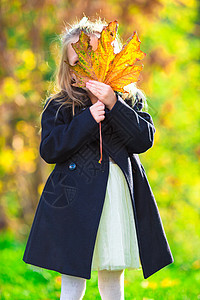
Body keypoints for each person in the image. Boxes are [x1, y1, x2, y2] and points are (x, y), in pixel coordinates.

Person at [22, 16, 174, 300]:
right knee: (72, 270)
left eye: (95, 60)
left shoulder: (129, 99)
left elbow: (143, 139)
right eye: (78, 62)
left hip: (116, 194)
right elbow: (50, 149)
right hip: (75, 198)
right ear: (68, 69)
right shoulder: (61, 104)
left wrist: (114, 105)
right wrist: (87, 120)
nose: (88, 69)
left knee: (112, 268)